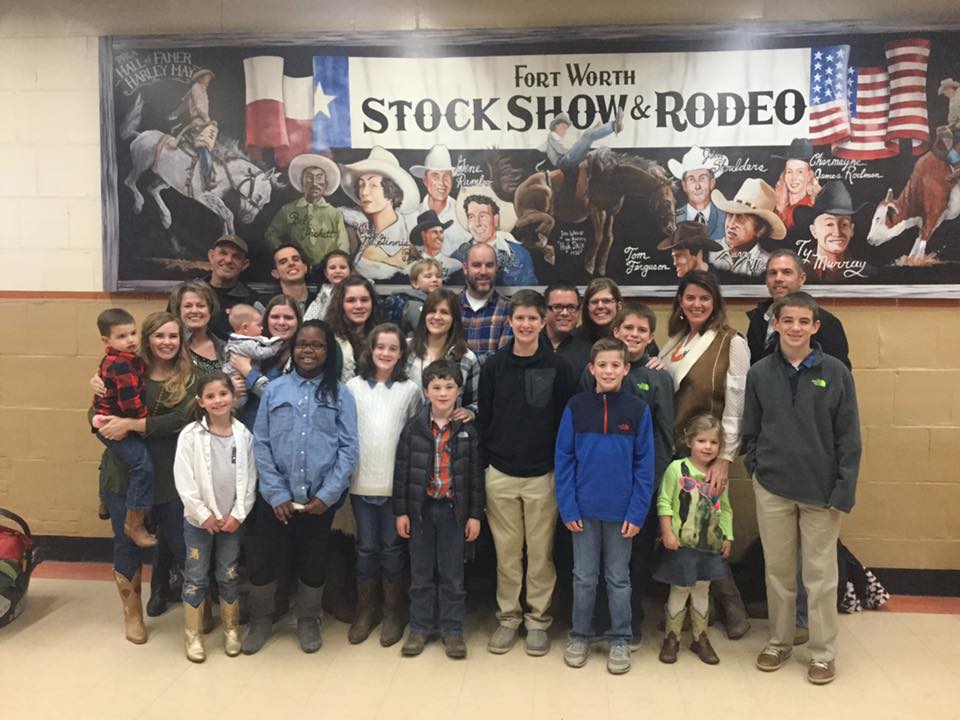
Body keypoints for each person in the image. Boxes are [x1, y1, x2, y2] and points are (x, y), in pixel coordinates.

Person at [744, 292, 861, 685]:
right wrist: (756, 467)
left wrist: (844, 489)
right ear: (775, 324)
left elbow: (849, 437)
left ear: (815, 326)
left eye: (802, 321)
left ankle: (823, 652)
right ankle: (779, 641)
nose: (794, 328)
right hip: (773, 487)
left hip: (822, 493)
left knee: (820, 576)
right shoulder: (759, 372)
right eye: (786, 320)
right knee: (777, 572)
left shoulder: (836, 373)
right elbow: (751, 429)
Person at [245, 320, 359, 655]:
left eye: (317, 345)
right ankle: (261, 619)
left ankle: (308, 619)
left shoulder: (340, 393)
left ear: (329, 351)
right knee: (265, 559)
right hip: (275, 498)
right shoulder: (276, 390)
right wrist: (276, 492)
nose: (308, 351)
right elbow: (261, 443)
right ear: (292, 350)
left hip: (318, 500)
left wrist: (328, 494)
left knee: (314, 559)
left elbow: (349, 448)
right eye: (302, 345)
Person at [478, 289, 576, 657]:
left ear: (543, 321)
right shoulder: (493, 366)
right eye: (519, 318)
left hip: (542, 476)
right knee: (506, 553)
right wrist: (488, 463)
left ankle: (537, 620)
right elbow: (484, 418)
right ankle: (508, 618)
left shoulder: (559, 368)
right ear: (510, 321)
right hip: (500, 473)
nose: (525, 324)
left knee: (539, 554)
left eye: (532, 318)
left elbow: (566, 424)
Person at [93, 311, 197, 644]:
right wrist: (102, 412)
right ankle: (132, 615)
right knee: (126, 544)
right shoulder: (122, 367)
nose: (166, 342)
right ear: (147, 339)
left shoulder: (192, 375)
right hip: (124, 478)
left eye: (173, 336)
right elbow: (93, 414)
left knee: (184, 544)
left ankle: (198, 609)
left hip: (171, 479)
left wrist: (132, 425)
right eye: (159, 336)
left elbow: (181, 420)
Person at [657, 270, 751, 640]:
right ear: (680, 301)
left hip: (707, 456)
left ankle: (732, 609)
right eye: (690, 297)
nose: (696, 304)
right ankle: (698, 614)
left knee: (709, 532)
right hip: (676, 453)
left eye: (704, 298)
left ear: (716, 304)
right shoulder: (677, 341)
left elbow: (737, 403)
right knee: (685, 533)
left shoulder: (732, 342)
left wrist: (725, 458)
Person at [556, 337, 654, 675]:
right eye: (602, 365)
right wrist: (568, 507)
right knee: (583, 577)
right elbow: (564, 460)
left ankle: (620, 638)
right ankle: (580, 635)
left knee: (618, 578)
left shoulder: (638, 410)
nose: (609, 371)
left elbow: (645, 465)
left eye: (616, 365)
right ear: (592, 368)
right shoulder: (576, 407)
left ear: (626, 369)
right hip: (582, 511)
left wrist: (637, 511)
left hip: (622, 513)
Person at [578, 303, 675, 637]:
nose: (634, 335)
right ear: (615, 331)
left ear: (650, 337)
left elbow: (664, 435)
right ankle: (596, 620)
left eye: (642, 331)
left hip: (640, 487)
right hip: (598, 485)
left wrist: (655, 485)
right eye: (628, 328)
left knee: (633, 559)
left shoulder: (658, 376)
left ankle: (629, 621)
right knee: (595, 561)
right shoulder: (596, 370)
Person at [394, 359, 484, 659]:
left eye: (449, 387)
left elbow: (473, 478)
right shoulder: (414, 428)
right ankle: (419, 627)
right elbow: (403, 472)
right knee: (420, 574)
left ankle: (452, 629)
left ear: (459, 390)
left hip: (453, 513)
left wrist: (473, 515)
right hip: (420, 511)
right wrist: (402, 511)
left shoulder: (468, 430)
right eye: (436, 387)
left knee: (452, 575)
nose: (443, 393)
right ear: (425, 391)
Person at [345, 324, 422, 647]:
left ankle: (393, 611)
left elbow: (414, 435)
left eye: (393, 348)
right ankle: (366, 609)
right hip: (361, 483)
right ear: (370, 350)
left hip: (395, 486)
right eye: (381, 347)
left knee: (392, 549)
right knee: (366, 548)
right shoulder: (352, 387)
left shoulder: (410, 390)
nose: (386, 353)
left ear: (401, 354)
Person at [173, 371, 257, 662]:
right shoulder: (191, 436)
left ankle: (231, 629)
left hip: (231, 522)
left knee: (228, 574)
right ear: (200, 402)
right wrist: (202, 513)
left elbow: (249, 481)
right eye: (210, 396)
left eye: (223, 394)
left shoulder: (244, 435)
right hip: (199, 523)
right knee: (196, 575)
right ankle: (193, 635)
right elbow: (184, 479)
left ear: (233, 398)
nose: (218, 400)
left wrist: (237, 514)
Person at [655, 414, 733, 665]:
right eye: (701, 440)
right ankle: (672, 637)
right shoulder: (677, 469)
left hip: (708, 546)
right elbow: (664, 502)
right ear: (689, 441)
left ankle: (700, 637)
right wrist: (667, 531)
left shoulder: (719, 476)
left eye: (713, 442)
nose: (708, 447)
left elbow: (726, 507)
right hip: (682, 544)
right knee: (680, 588)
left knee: (702, 589)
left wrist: (727, 535)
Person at [91, 308, 157, 548]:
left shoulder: (125, 358)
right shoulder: (121, 364)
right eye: (122, 336)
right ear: (106, 341)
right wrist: (141, 425)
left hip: (108, 418)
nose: (131, 340)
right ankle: (134, 522)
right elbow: (129, 402)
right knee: (142, 465)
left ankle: (103, 498)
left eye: (133, 333)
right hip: (112, 421)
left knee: (127, 460)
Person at [746, 249, 850, 369]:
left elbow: (838, 376)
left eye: (786, 272)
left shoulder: (827, 323)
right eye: (773, 273)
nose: (778, 278)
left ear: (801, 279)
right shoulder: (758, 318)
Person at [340, 146, 420, 281]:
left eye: (373, 185)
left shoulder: (411, 228)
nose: (364, 192)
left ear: (391, 192)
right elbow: (338, 212)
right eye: (361, 184)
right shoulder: (357, 220)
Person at [406, 288, 480, 421]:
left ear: (454, 319)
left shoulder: (467, 358)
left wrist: (470, 412)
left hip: (447, 434)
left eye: (444, 312)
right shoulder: (405, 349)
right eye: (432, 311)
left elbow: (477, 401)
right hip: (407, 432)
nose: (437, 317)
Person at [231, 295, 302, 430]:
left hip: (280, 432)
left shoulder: (301, 355)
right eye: (275, 317)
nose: (281, 322)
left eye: (288, 318)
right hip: (246, 431)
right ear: (266, 321)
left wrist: (248, 372)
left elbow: (283, 399)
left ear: (298, 321)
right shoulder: (250, 346)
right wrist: (231, 388)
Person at [265, 153, 349, 265]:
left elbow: (343, 245)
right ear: (302, 181)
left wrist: (334, 264)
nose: (314, 183)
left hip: (327, 271)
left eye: (319, 178)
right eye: (309, 177)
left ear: (326, 183)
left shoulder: (335, 214)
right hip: (297, 269)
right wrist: (285, 255)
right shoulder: (288, 210)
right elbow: (271, 234)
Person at [452, 186, 537, 286]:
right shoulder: (458, 256)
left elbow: (528, 294)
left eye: (483, 216)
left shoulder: (519, 254)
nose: (477, 223)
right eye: (471, 217)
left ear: (496, 219)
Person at [794, 181, 872, 282]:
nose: (837, 233)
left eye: (844, 224)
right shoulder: (797, 273)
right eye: (829, 224)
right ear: (814, 231)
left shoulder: (867, 274)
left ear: (851, 230)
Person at [709, 179, 787, 277]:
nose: (731, 224)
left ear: (760, 230)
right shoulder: (708, 253)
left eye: (741, 218)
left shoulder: (768, 265)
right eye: (729, 215)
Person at [405, 144, 471, 255]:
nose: (442, 182)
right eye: (435, 175)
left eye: (446, 176)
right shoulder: (410, 216)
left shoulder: (465, 213)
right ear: (425, 180)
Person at [220, 303, 283, 410]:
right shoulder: (245, 343)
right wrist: (275, 346)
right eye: (259, 325)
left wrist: (247, 370)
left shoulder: (234, 341)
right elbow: (261, 353)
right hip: (237, 381)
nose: (262, 328)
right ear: (245, 327)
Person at [458, 243, 512, 363]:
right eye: (476, 265)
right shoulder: (449, 308)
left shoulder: (510, 310)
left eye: (489, 265)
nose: (483, 271)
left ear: (496, 268)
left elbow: (503, 362)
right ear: (465, 268)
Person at [202, 234, 262, 340]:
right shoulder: (187, 293)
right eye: (223, 253)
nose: (228, 260)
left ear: (244, 265)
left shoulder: (252, 301)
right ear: (211, 256)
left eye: (236, 256)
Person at [325, 274, 380, 382]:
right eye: (351, 300)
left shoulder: (381, 336)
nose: (359, 306)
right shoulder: (327, 338)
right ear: (340, 304)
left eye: (364, 300)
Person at [169, 68, 218, 190]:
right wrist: (207, 120)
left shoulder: (202, 90)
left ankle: (210, 174)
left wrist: (174, 114)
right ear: (200, 78)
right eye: (207, 77)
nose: (209, 80)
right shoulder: (196, 87)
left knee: (212, 148)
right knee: (203, 147)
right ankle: (206, 179)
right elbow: (199, 106)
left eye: (209, 78)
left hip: (203, 121)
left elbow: (184, 105)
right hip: (199, 122)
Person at [168, 280, 228, 377]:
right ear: (179, 311)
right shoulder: (170, 346)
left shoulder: (226, 347)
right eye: (188, 306)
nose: (194, 311)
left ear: (210, 309)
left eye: (201, 306)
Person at [564, 277, 623, 377]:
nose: (600, 306)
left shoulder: (632, 335)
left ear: (619, 306)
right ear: (587, 308)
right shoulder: (573, 339)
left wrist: (658, 361)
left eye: (606, 301)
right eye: (594, 302)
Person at [667, 145, 727, 240]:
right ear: (684, 185)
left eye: (702, 178)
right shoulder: (673, 219)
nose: (697, 186)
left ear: (712, 183)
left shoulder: (725, 218)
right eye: (691, 179)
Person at [542, 109, 623, 170]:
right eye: (563, 127)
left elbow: (580, 142)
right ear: (556, 126)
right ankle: (614, 126)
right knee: (587, 136)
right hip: (563, 162)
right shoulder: (552, 135)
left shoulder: (559, 138)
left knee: (588, 135)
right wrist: (582, 145)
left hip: (568, 158)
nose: (565, 131)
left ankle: (614, 126)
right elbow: (562, 150)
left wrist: (591, 132)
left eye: (566, 128)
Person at [382, 257, 443, 336]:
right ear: (415, 283)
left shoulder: (441, 302)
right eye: (428, 276)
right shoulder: (414, 303)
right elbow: (425, 333)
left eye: (438, 276)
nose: (435, 279)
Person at [773, 138, 821, 231]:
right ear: (784, 175)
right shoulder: (775, 204)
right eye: (789, 172)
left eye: (800, 172)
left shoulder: (814, 208)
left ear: (809, 176)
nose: (793, 178)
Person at [407, 209, 464, 279]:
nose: (440, 236)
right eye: (434, 232)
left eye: (441, 232)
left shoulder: (455, 266)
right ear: (423, 235)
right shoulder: (412, 268)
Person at [657, 221, 722, 278]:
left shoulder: (722, 279)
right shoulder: (671, 283)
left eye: (679, 256)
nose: (674, 263)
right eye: (673, 257)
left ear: (696, 252)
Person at [303, 249, 352, 324]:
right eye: (332, 268)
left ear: (350, 272)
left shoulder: (355, 291)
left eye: (342, 267)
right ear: (326, 273)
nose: (338, 271)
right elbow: (311, 315)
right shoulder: (324, 291)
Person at [268, 243, 315, 316]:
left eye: (296, 259)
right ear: (275, 273)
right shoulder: (266, 305)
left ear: (305, 268)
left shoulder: (321, 302)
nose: (291, 263)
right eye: (283, 262)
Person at [541, 281, 581, 364]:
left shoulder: (590, 348)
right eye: (558, 307)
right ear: (545, 310)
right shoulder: (529, 344)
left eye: (571, 307)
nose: (565, 313)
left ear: (578, 311)